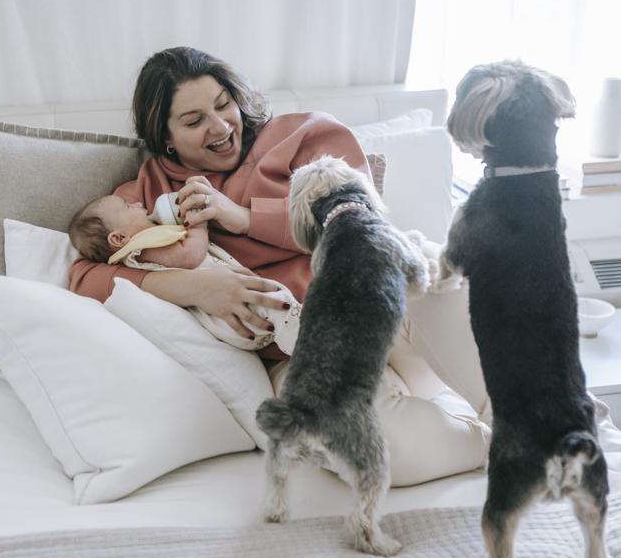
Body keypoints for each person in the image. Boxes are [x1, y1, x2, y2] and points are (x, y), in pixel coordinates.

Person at [68, 46, 491, 486]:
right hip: (299, 347)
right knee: (377, 455)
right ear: (166, 136)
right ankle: (484, 440)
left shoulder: (306, 135)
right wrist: (197, 288)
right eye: (193, 122)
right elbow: (86, 277)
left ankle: (508, 421)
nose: (219, 127)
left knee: (486, 326)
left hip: (390, 301)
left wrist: (243, 216)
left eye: (223, 105)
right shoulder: (145, 193)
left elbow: (358, 222)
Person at [68, 193, 302, 354]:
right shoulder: (141, 249)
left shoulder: (144, 242)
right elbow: (189, 256)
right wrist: (199, 226)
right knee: (275, 299)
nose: (139, 203)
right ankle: (308, 345)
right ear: (119, 238)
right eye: (129, 207)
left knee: (274, 302)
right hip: (229, 314)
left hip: (236, 316)